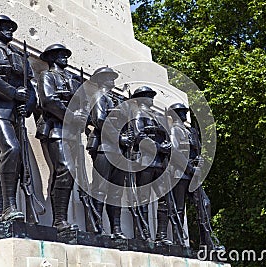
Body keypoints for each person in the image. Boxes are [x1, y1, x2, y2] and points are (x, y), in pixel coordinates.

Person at [0, 15, 37, 222]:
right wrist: (13, 93)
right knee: (12, 149)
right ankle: (9, 206)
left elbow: (31, 88)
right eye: (3, 27)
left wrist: (27, 106)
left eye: (11, 26)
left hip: (15, 113)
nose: (9, 29)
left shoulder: (20, 56)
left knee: (3, 158)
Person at [36, 44, 87, 232]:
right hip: (56, 129)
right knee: (64, 168)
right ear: (51, 57)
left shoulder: (73, 80)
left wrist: (82, 114)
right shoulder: (47, 76)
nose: (64, 57)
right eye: (59, 54)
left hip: (72, 132)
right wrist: (72, 116)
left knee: (70, 173)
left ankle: (61, 219)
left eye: (65, 54)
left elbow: (84, 104)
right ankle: (58, 220)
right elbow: (49, 100)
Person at [167, 103, 223, 250]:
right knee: (178, 208)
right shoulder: (174, 130)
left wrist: (199, 161)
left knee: (204, 204)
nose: (184, 114)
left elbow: (195, 152)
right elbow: (176, 153)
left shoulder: (190, 131)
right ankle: (178, 241)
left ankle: (206, 241)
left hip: (192, 174)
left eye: (184, 112)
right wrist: (191, 168)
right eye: (180, 112)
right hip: (180, 173)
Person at [86, 67, 127, 239]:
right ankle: (97, 227)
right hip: (104, 147)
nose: (112, 80)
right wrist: (120, 137)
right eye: (109, 77)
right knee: (100, 189)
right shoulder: (98, 96)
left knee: (116, 192)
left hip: (119, 151)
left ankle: (116, 229)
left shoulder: (116, 100)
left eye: (113, 77)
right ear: (101, 79)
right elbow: (100, 120)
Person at [130, 86, 172, 241]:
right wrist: (159, 147)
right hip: (145, 161)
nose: (151, 99)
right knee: (143, 198)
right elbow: (139, 136)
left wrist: (167, 146)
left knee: (165, 199)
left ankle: (161, 235)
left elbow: (166, 136)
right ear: (141, 98)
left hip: (160, 162)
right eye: (148, 96)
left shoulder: (157, 116)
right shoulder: (138, 114)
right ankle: (144, 233)